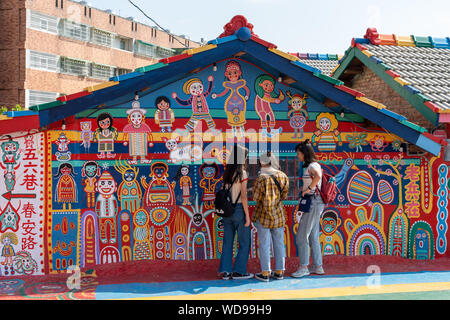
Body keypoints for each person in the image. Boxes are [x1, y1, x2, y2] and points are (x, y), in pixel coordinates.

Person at [252, 152, 289, 282]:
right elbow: (284, 195)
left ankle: (265, 272)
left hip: (263, 215)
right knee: (279, 243)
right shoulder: (283, 175)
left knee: (264, 244)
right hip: (278, 214)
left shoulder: (261, 178)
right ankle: (279, 271)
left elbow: (256, 197)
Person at [291, 140, 326, 278]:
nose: (297, 156)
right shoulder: (313, 165)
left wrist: (308, 189)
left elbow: (317, 176)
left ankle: (304, 267)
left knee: (301, 235)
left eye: (299, 153)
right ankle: (318, 266)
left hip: (312, 203)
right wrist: (305, 188)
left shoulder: (312, 165)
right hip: (316, 202)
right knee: (313, 236)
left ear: (304, 153)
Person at [218, 144, 253, 280]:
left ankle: (226, 271)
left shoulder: (227, 173)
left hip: (227, 211)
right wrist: (247, 216)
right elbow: (243, 196)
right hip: (238, 209)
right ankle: (239, 271)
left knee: (228, 242)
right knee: (244, 242)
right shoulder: (242, 173)